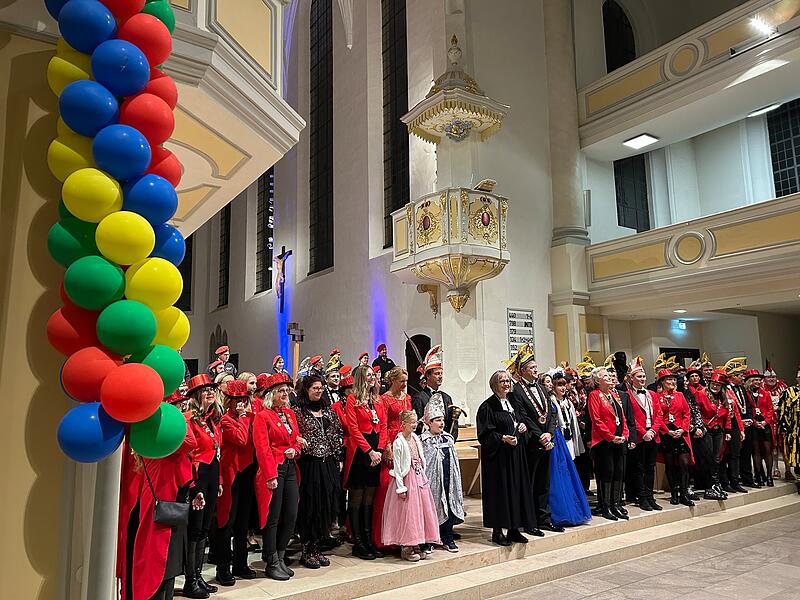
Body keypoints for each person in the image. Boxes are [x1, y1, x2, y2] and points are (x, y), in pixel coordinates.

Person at [117, 421, 196, 600]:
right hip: (159, 512)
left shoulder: (163, 439)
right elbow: (190, 441)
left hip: (170, 508)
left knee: (165, 571)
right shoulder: (162, 441)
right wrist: (178, 418)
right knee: (157, 569)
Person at [477, 370, 537, 546]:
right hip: (498, 458)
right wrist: (502, 438)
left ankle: (514, 529)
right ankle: (497, 531)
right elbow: (484, 434)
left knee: (516, 490)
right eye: (502, 381)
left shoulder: (513, 402)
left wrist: (522, 428)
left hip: (516, 455)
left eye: (508, 381)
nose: (506, 384)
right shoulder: (487, 406)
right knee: (501, 492)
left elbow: (519, 421)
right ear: (494, 384)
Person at [507, 343, 560, 533]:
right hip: (531, 443)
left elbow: (552, 413)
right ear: (522, 371)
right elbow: (523, 417)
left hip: (547, 440)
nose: (536, 371)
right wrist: (540, 436)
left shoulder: (543, 388)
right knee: (530, 483)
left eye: (536, 367)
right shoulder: (517, 391)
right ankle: (529, 521)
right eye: (532, 368)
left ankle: (543, 518)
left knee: (544, 483)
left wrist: (550, 433)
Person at [253, 373, 301, 581]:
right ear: (271, 394)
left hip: (290, 467)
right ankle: (271, 559)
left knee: (290, 514)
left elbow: (296, 440)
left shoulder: (289, 414)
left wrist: (295, 450)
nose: (284, 394)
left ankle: (280, 556)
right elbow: (262, 448)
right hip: (274, 469)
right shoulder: (263, 416)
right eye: (280, 391)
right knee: (273, 517)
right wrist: (270, 475)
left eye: (286, 391)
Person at [295, 374, 344, 568]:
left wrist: (338, 457)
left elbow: (337, 433)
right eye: (315, 388)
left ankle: (317, 546)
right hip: (309, 464)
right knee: (310, 506)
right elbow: (294, 433)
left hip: (328, 462)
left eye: (321, 388)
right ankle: (307, 549)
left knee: (326, 504)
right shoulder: (298, 411)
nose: (319, 391)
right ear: (307, 390)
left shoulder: (329, 411)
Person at [212, 379, 257, 586]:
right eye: (236, 401)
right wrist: (245, 418)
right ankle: (223, 568)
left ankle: (241, 563)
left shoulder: (248, 417)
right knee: (226, 521)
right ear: (228, 401)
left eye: (243, 400)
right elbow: (240, 439)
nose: (240, 404)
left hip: (247, 472)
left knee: (243, 521)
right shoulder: (226, 420)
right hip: (230, 474)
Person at [381, 409, 441, 561]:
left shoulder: (415, 437)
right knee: (408, 511)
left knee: (420, 510)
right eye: (412, 422)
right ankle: (406, 546)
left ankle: (416, 543)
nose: (415, 425)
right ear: (403, 424)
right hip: (408, 479)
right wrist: (401, 487)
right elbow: (398, 467)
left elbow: (420, 457)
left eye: (415, 422)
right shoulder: (399, 442)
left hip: (418, 476)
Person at [182, 374, 221, 598]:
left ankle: (198, 576)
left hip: (212, 474)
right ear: (196, 395)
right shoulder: (189, 418)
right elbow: (188, 454)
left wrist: (220, 482)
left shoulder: (210, 420)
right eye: (205, 390)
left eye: (212, 389)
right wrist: (194, 487)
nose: (210, 392)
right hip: (198, 476)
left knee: (205, 528)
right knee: (195, 529)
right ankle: (190, 581)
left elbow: (217, 452)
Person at [344, 365, 387, 560]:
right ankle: (358, 541)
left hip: (375, 450)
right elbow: (353, 429)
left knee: (370, 497)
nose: (373, 378)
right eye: (369, 375)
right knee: (357, 498)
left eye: (374, 375)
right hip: (361, 453)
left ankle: (369, 539)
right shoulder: (352, 399)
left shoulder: (377, 399)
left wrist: (379, 449)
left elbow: (384, 425)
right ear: (361, 377)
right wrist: (369, 451)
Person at [373, 367, 412, 552]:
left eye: (406, 381)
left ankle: (403, 535)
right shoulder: (384, 399)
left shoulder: (407, 398)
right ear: (393, 381)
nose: (405, 384)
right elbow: (384, 424)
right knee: (387, 487)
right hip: (391, 442)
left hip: (405, 441)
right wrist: (387, 447)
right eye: (402, 381)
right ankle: (384, 537)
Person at [420, 393, 465, 553]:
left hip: (447, 479)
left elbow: (453, 463)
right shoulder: (424, 440)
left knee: (448, 503)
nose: (442, 423)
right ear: (429, 422)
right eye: (438, 420)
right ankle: (429, 539)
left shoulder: (448, 438)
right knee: (432, 505)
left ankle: (447, 537)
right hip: (432, 481)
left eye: (442, 420)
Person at [547, 370, 592, 526]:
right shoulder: (551, 402)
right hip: (557, 440)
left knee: (570, 473)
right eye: (559, 385)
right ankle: (561, 510)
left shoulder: (567, 402)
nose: (563, 388)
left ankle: (573, 506)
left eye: (564, 384)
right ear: (552, 387)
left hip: (569, 440)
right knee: (559, 474)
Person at [588, 367, 629, 521]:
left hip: (619, 440)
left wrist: (624, 433)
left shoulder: (613, 394)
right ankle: (605, 506)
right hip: (604, 441)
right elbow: (596, 420)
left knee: (619, 472)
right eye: (605, 376)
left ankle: (615, 504)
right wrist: (611, 437)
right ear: (598, 381)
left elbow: (622, 416)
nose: (610, 378)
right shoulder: (594, 395)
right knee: (607, 473)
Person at [622, 357, 663, 511]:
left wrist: (652, 430)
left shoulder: (652, 394)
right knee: (638, 468)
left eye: (644, 376)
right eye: (639, 376)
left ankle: (650, 496)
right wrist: (643, 432)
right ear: (631, 378)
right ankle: (641, 497)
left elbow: (659, 414)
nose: (642, 379)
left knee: (650, 467)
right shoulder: (626, 395)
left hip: (653, 434)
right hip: (639, 437)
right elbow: (628, 417)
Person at [655, 369, 694, 507]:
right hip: (666, 434)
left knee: (684, 464)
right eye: (668, 379)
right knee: (670, 465)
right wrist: (667, 431)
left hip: (680, 432)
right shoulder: (657, 397)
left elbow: (687, 413)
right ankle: (674, 493)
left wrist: (683, 429)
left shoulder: (680, 395)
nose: (672, 382)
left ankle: (684, 493)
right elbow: (657, 416)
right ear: (662, 382)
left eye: (673, 379)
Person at [411, 345, 461, 440]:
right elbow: (417, 424)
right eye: (437, 374)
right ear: (428, 376)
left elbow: (453, 423)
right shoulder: (419, 398)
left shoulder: (447, 398)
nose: (440, 376)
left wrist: (450, 439)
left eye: (441, 373)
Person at [697, 369, 732, 500]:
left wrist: (728, 430)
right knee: (709, 459)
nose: (715, 386)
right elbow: (697, 412)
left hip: (719, 431)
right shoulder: (701, 394)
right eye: (713, 384)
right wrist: (700, 427)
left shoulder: (723, 397)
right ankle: (709, 486)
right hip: (707, 430)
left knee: (717, 459)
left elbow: (727, 415)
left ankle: (716, 485)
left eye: (718, 385)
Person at [725, 357, 757, 487]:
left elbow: (748, 406)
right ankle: (733, 480)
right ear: (732, 376)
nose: (742, 378)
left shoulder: (743, 388)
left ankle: (748, 479)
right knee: (733, 454)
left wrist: (749, 418)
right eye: (739, 375)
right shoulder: (726, 389)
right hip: (733, 425)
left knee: (746, 453)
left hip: (746, 424)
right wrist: (740, 423)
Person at [744, 369, 776, 487]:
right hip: (753, 426)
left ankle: (769, 476)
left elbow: (770, 409)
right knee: (756, 451)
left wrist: (765, 422)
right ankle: (758, 476)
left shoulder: (765, 393)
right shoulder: (746, 394)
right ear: (749, 381)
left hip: (765, 426)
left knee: (768, 451)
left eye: (759, 380)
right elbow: (746, 410)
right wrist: (754, 422)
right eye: (755, 380)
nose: (758, 382)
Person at [764, 362, 788, 480]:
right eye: (769, 377)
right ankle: (775, 468)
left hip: (783, 420)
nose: (771, 379)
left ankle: (788, 470)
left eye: (773, 377)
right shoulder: (761, 389)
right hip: (769, 421)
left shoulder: (783, 387)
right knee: (773, 447)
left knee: (785, 446)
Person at [777, 368, 800, 487]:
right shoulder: (789, 392)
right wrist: (785, 428)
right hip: (795, 431)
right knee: (797, 456)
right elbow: (783, 411)